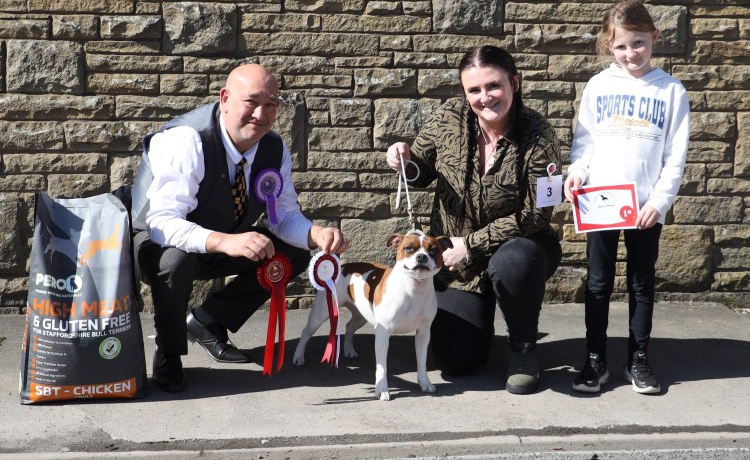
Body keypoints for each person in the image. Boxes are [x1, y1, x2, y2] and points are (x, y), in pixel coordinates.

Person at [130, 64, 350, 392]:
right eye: (252, 101)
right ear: (225, 99)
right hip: (155, 244)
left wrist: (315, 234)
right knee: (177, 261)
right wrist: (224, 241)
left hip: (221, 239)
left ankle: (209, 321)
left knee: (294, 253)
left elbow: (282, 217)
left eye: (271, 104)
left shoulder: (274, 148)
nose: (261, 114)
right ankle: (169, 353)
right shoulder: (187, 140)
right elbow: (162, 223)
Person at [386, 45, 562, 395]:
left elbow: (538, 213)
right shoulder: (447, 118)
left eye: (494, 86)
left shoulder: (540, 134)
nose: (485, 97)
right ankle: (481, 320)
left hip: (519, 248)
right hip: (457, 263)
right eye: (474, 90)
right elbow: (420, 172)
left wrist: (470, 244)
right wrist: (403, 160)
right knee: (457, 362)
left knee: (514, 263)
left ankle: (523, 347)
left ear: (515, 83)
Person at [564, 0, 690, 395]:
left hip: (645, 208)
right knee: (598, 283)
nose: (630, 53)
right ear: (609, 45)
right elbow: (584, 143)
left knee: (641, 284)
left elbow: (676, 156)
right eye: (620, 46)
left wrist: (659, 202)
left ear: (654, 37)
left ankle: (638, 359)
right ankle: (595, 360)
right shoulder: (599, 86)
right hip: (601, 202)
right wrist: (577, 173)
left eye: (638, 43)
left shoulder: (671, 90)